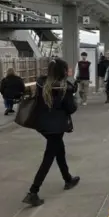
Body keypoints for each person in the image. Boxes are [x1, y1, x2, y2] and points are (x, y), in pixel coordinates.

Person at [23, 58, 80, 207]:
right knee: (49, 156)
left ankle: (67, 179)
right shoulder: (64, 88)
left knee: (59, 150)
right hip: (57, 127)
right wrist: (74, 96)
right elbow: (71, 109)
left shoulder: (42, 83)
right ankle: (33, 191)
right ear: (62, 71)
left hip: (42, 125)